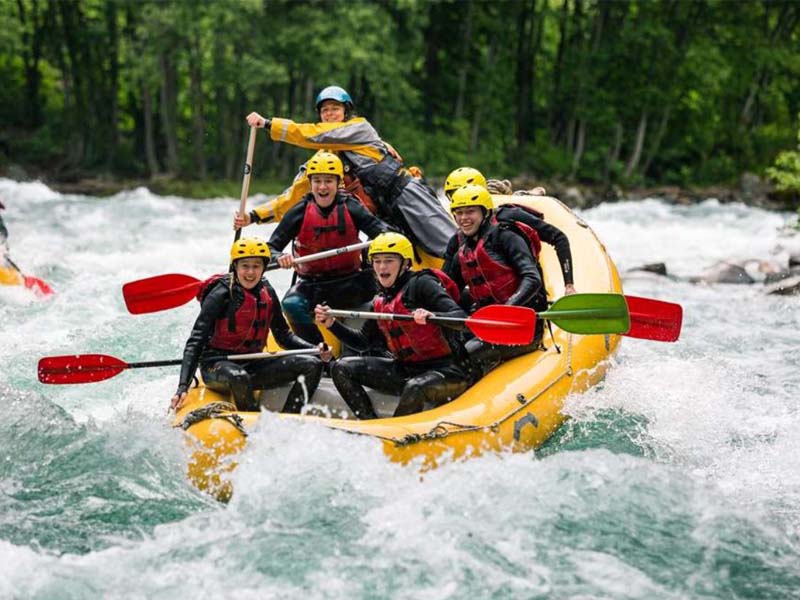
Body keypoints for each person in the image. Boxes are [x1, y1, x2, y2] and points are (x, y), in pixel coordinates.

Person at [238, 85, 456, 260]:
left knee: (448, 244)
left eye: (335, 109)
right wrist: (255, 216)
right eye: (325, 110)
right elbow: (294, 195)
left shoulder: (359, 128)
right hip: (382, 215)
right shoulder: (323, 161)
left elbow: (312, 135)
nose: (330, 114)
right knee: (401, 259)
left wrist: (268, 124)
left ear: (346, 111)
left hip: (405, 193)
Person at [314, 232, 470, 419]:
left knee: (416, 387)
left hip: (447, 371)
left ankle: (395, 438)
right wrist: (332, 324)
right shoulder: (380, 301)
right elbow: (363, 342)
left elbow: (461, 319)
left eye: (389, 261)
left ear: (405, 263)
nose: (382, 267)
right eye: (377, 261)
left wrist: (433, 315)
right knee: (341, 367)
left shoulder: (422, 284)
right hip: (405, 369)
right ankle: (369, 423)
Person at [170, 237, 329, 414]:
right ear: (235, 266)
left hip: (253, 363)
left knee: (312, 365)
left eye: (256, 266)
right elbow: (196, 341)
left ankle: (290, 418)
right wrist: (183, 386)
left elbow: (284, 336)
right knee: (239, 377)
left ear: (263, 268)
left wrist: (314, 349)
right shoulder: (221, 294)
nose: (250, 272)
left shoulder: (267, 291)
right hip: (217, 364)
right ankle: (252, 423)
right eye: (245, 266)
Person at [264, 150, 390, 344]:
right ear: (311, 183)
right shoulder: (299, 211)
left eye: (328, 181)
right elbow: (269, 249)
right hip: (313, 285)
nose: (323, 187)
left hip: (352, 283)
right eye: (317, 181)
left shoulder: (352, 207)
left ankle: (369, 346)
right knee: (291, 304)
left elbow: (383, 235)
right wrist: (279, 257)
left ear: (338, 183)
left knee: (382, 299)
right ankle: (319, 353)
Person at [445, 184, 545, 372]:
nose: (464, 218)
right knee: (448, 349)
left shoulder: (506, 236)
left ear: (485, 213)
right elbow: (449, 292)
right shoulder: (463, 250)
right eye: (459, 213)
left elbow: (532, 278)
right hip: (487, 325)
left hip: (522, 327)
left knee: (465, 353)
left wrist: (506, 309)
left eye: (470, 212)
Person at [442, 167, 576, 296]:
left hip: (526, 297)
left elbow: (558, 238)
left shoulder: (509, 217)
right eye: (454, 196)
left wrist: (569, 286)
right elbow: (445, 283)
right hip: (489, 302)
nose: (461, 198)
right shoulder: (459, 238)